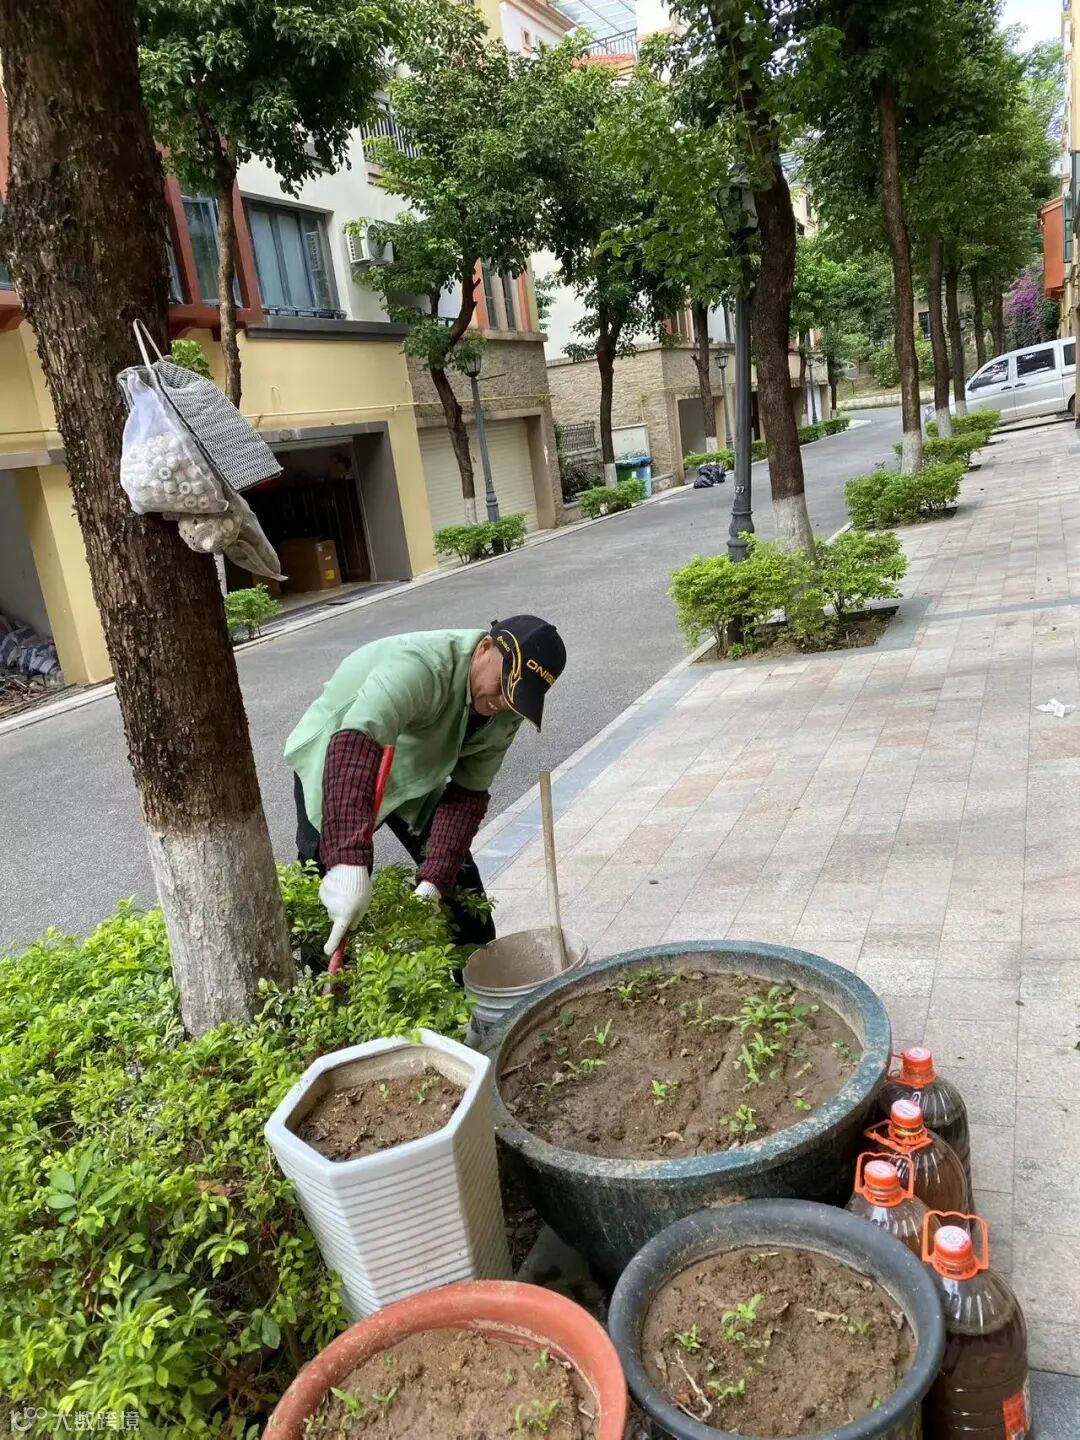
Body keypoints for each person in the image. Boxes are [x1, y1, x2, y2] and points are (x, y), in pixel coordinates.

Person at [286, 615, 566, 958]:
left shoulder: (509, 709)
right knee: (334, 902)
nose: (504, 702)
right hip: (340, 758)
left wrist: (433, 884)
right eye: (502, 684)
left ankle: (474, 985)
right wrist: (347, 861)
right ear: (484, 648)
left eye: (518, 695)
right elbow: (357, 742)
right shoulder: (421, 665)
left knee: (462, 902)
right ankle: (326, 981)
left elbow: (467, 795)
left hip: (417, 772)